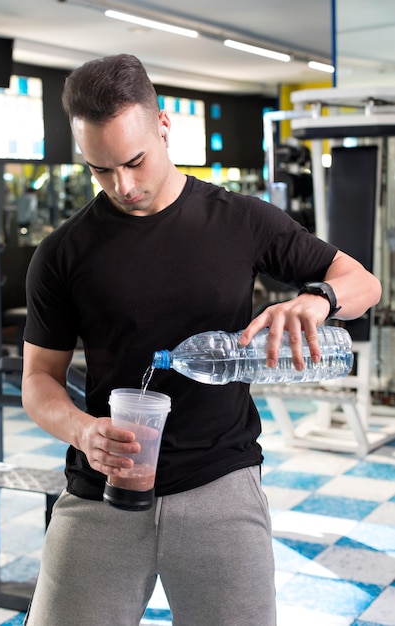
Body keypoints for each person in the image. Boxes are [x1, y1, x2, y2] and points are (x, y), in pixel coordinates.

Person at [22, 54, 381, 626]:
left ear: (164, 125)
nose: (125, 185)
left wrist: (316, 300)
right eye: (101, 170)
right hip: (102, 490)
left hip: (221, 485)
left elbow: (364, 282)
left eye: (134, 161)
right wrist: (82, 430)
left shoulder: (241, 220)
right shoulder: (63, 254)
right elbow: (38, 381)